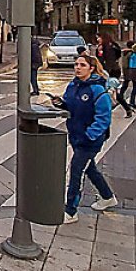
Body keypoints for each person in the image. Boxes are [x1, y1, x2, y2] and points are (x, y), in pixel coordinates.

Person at [51, 53, 117, 223]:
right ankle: (107, 197)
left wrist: (90, 136)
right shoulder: (73, 85)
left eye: (82, 65)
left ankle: (71, 210)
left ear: (91, 68)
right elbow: (70, 105)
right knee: (90, 169)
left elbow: (104, 117)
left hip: (89, 141)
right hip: (76, 135)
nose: (77, 68)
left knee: (76, 171)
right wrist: (61, 103)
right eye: (76, 65)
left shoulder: (97, 90)